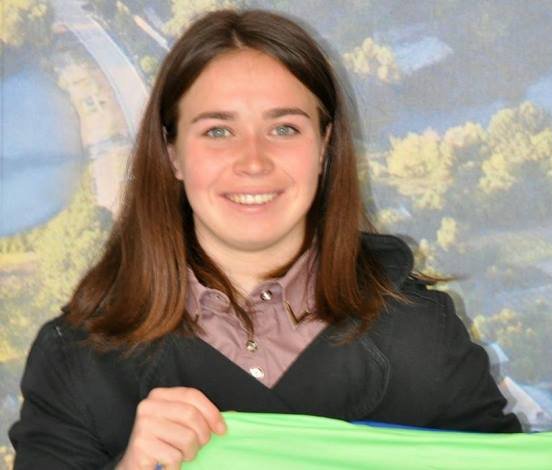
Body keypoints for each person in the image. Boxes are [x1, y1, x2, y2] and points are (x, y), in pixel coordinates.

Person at [9, 9, 521, 469]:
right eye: (217, 131)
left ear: (324, 148)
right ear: (172, 153)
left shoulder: (421, 333)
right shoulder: (75, 358)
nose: (253, 161)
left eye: (284, 129)